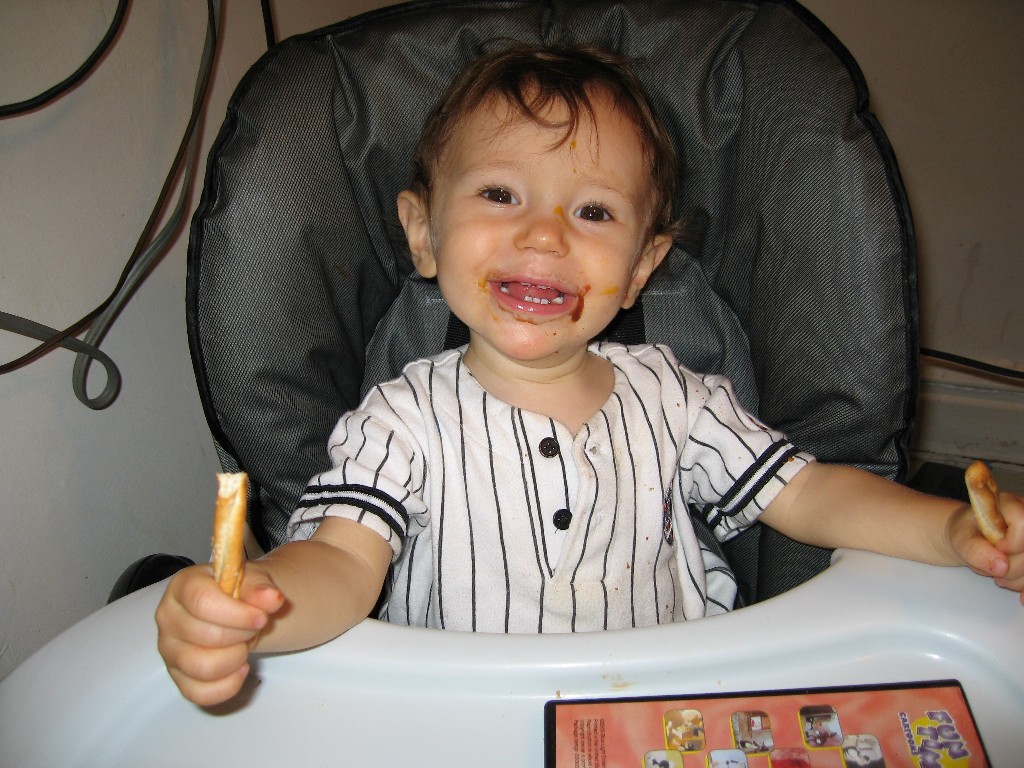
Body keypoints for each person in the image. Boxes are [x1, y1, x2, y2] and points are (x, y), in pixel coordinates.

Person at [156, 43, 1024, 707]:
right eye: (500, 194)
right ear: (422, 234)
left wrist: (953, 530)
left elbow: (813, 494)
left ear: (642, 268)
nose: (545, 235)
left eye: (595, 210)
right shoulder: (401, 421)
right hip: (461, 713)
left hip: (674, 711)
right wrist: (256, 606)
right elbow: (340, 564)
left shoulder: (676, 398)